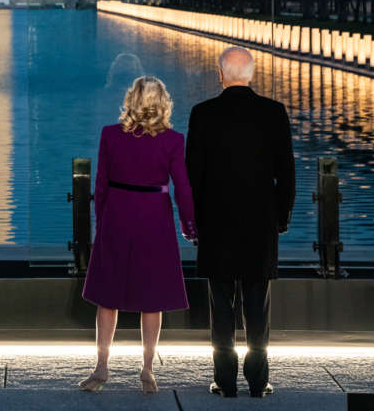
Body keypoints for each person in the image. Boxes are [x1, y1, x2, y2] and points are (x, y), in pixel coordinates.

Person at [185, 46, 295, 399]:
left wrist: (195, 221)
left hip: (216, 225)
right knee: (257, 306)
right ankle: (258, 382)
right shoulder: (274, 112)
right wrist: (281, 217)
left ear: (220, 75)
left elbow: (193, 176)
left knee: (221, 308)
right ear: (251, 74)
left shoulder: (202, 114)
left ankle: (225, 380)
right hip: (260, 224)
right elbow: (287, 175)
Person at [79, 76, 196, 395]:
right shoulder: (173, 140)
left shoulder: (110, 136)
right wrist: (189, 225)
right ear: (162, 103)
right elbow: (182, 188)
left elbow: (100, 184)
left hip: (117, 213)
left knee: (108, 297)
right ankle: (146, 370)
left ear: (131, 99)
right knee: (152, 297)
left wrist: (101, 221)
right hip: (154, 217)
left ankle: (102, 367)